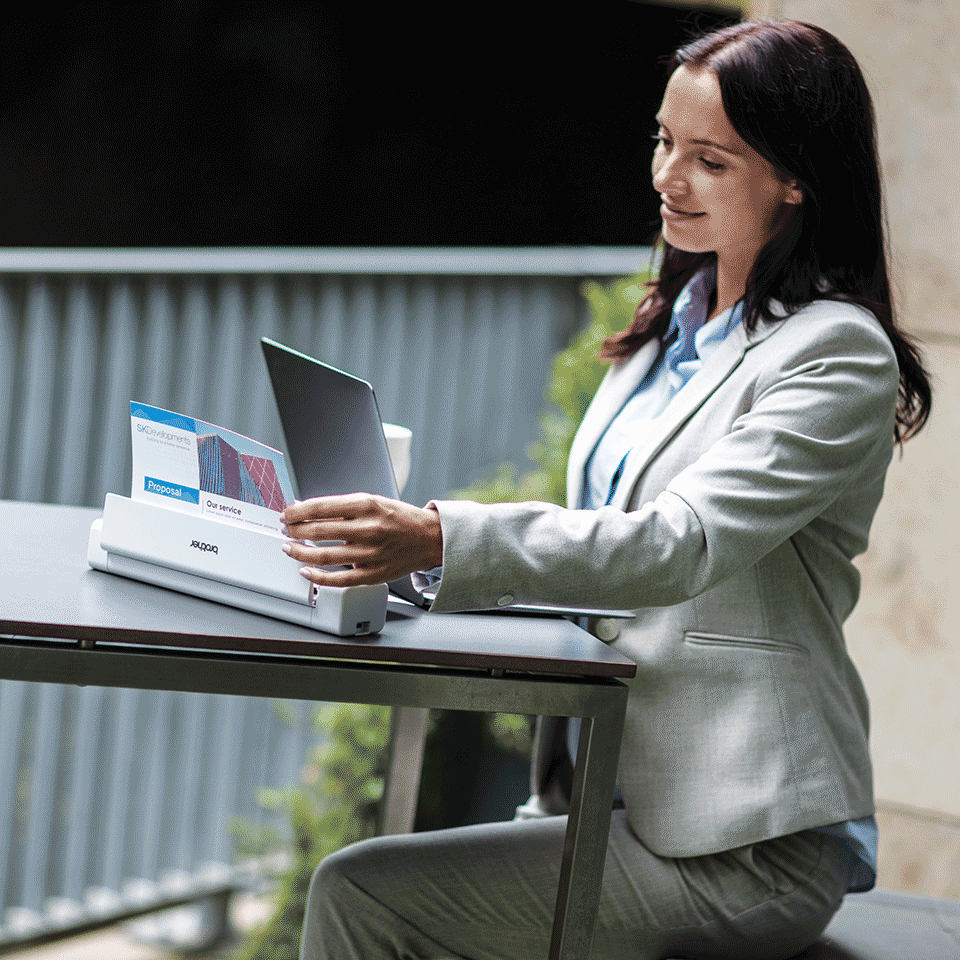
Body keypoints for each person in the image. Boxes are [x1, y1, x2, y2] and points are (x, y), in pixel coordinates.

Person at [282, 18, 932, 960]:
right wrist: (418, 572)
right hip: (611, 798)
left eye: (711, 160)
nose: (668, 177)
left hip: (741, 843)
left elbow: (677, 544)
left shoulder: (834, 354)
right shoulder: (676, 321)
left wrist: (436, 538)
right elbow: (601, 542)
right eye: (664, 142)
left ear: (797, 178)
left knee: (360, 896)